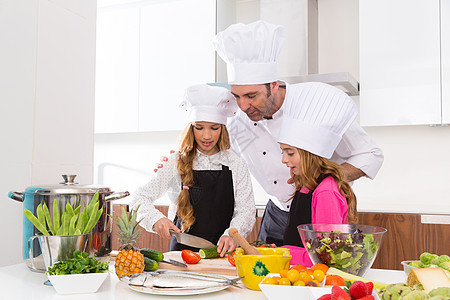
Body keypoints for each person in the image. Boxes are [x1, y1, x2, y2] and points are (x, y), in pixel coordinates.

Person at [212, 20, 384, 246]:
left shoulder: (317, 104)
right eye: (237, 96)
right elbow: (225, 163)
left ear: (273, 85)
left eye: (252, 96)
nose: (243, 106)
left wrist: (325, 180)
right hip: (274, 213)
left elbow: (371, 154)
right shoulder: (236, 119)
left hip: (317, 211)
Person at [130, 84, 256, 256]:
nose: (206, 136)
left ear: (223, 129)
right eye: (199, 127)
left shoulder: (236, 163)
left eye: (214, 128)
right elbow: (139, 198)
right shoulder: (175, 161)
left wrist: (232, 234)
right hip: (182, 255)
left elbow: (246, 211)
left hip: (224, 253)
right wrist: (155, 219)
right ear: (191, 128)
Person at [277, 82, 359, 265]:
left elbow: (326, 255)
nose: (283, 159)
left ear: (310, 155)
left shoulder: (326, 192)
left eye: (290, 153)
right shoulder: (307, 186)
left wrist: (281, 254)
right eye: (282, 152)